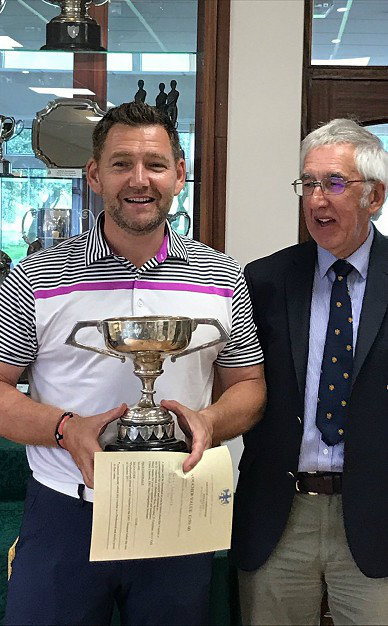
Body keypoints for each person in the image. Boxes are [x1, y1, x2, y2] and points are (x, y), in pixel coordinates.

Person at [0, 101, 266, 626]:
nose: (139, 180)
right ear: (95, 175)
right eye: (121, 164)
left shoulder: (222, 275)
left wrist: (211, 421)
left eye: (156, 164)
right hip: (65, 512)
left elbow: (249, 385)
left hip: (178, 509)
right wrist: (63, 428)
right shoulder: (34, 277)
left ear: (180, 175)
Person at [232, 118, 388, 625]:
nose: (318, 199)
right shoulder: (265, 280)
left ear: (375, 195)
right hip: (280, 514)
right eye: (309, 183)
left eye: (335, 184)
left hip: (376, 516)